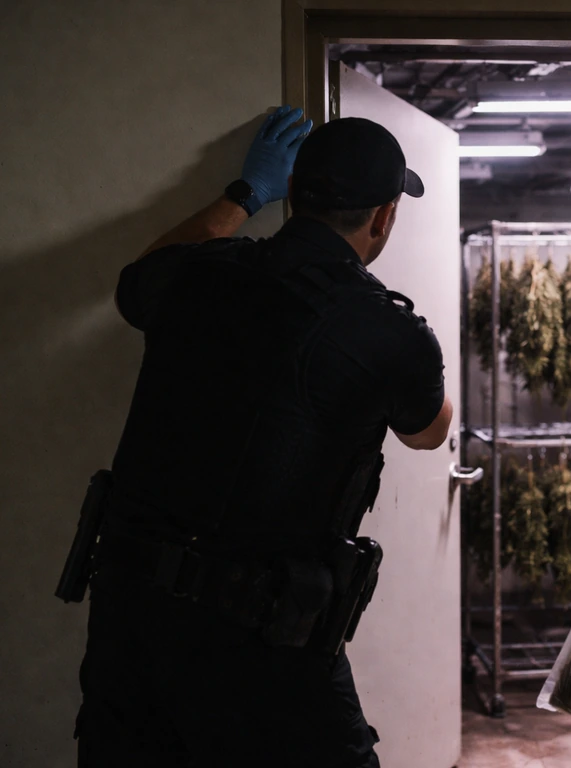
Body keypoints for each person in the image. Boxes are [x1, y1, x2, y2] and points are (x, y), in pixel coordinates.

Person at [72, 108, 453, 767]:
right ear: (384, 217)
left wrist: (245, 194)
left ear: (295, 192)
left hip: (131, 627)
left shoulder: (198, 275)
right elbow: (429, 432)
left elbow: (140, 278)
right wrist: (402, 349)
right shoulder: (387, 331)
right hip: (266, 641)